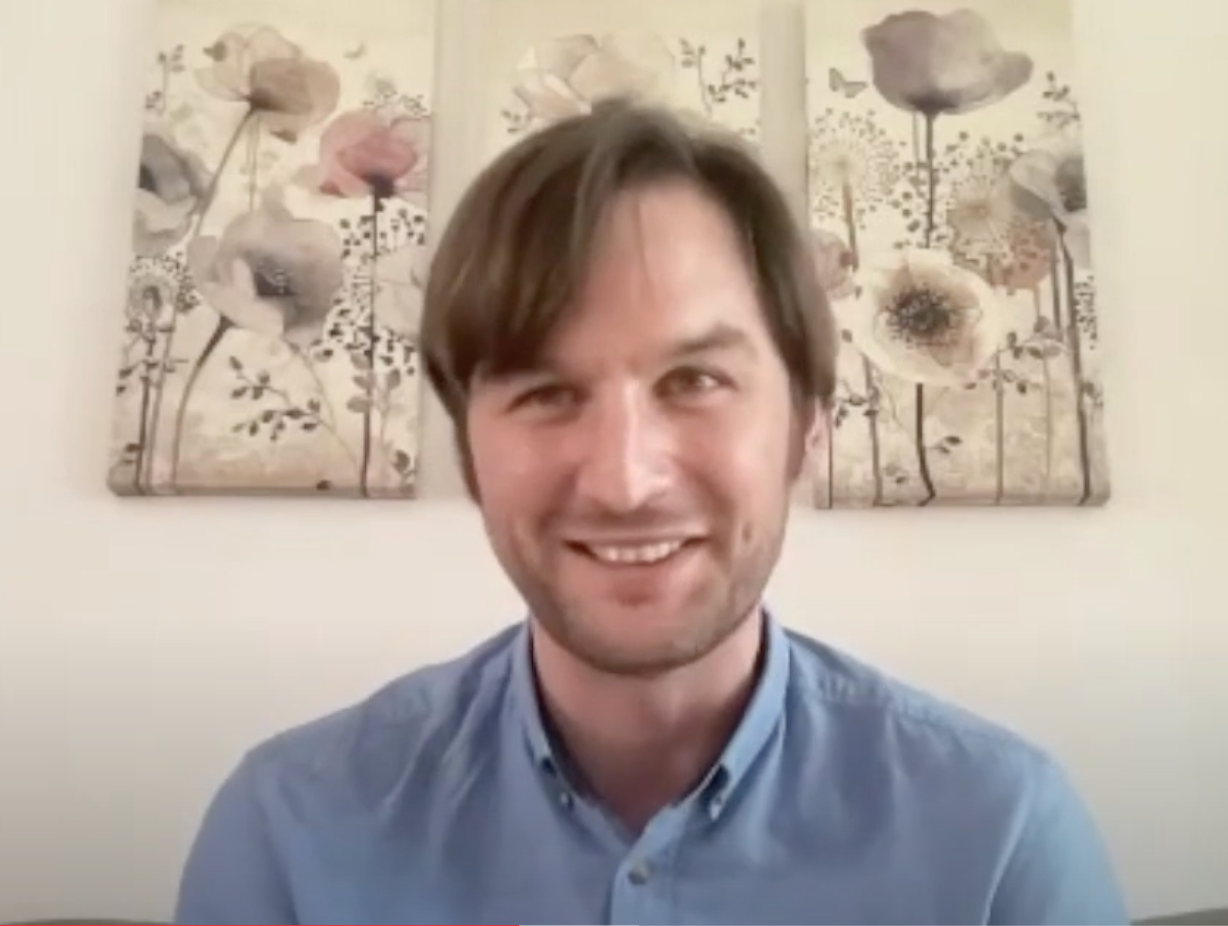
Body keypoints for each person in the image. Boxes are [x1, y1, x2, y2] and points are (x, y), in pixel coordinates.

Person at [174, 98, 1128, 925]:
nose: (624, 482)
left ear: (807, 425)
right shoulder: (289, 833)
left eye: (696, 379)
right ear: (468, 449)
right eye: (546, 391)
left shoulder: (1000, 841)